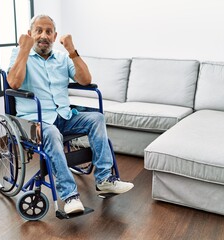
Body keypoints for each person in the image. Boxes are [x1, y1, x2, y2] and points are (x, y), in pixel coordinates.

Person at [7, 14, 134, 214]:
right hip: (36, 122)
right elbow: (13, 83)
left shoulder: (61, 57)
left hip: (64, 116)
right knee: (52, 134)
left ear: (54, 35)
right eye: (38, 30)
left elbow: (85, 80)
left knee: (96, 118)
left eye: (49, 32)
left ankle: (104, 180)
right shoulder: (19, 53)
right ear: (30, 34)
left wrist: (71, 50)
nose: (44, 36)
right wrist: (24, 49)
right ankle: (69, 196)